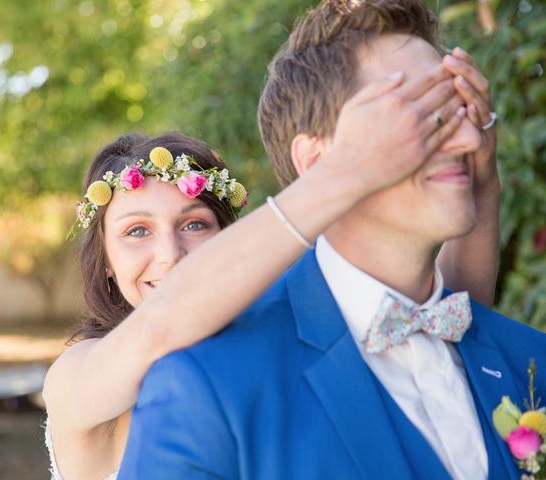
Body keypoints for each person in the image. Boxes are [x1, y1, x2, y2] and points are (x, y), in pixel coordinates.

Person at [117, 1, 546, 480]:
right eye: (417, 115)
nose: (468, 142)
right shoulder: (211, 390)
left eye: (460, 111)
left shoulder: (533, 362)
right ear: (319, 160)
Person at [45, 97, 497, 480]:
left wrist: (481, 184)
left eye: (195, 224)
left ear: (228, 238)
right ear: (105, 260)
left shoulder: (283, 341)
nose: (170, 253)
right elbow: (159, 329)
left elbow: (442, 325)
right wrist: (346, 172)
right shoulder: (77, 375)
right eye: (137, 231)